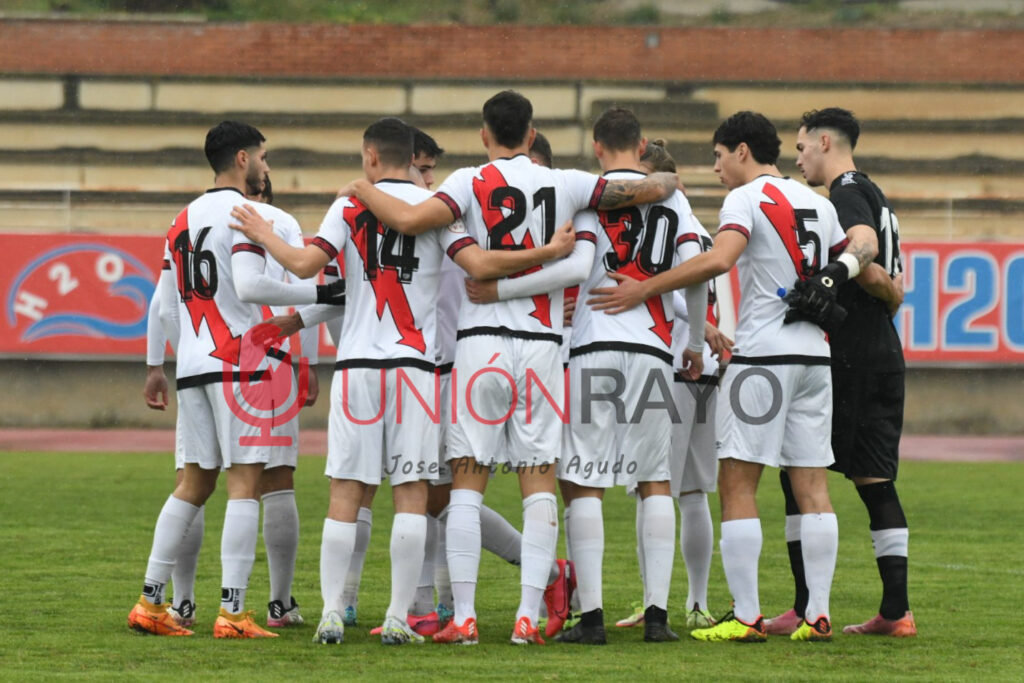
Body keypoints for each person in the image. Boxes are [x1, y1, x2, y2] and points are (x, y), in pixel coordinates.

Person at [336, 90, 680, 645]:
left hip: (482, 346)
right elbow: (647, 186)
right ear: (531, 131)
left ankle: (465, 617)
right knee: (538, 478)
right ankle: (526, 618)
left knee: (467, 481)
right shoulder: (566, 183)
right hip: (543, 344)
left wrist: (361, 188)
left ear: (483, 133)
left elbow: (406, 219)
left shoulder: (466, 182)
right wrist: (663, 182)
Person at [229, 116, 576, 645]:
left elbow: (307, 267)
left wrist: (261, 237)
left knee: (354, 491)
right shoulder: (439, 214)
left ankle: (337, 611)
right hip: (419, 369)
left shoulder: (353, 203)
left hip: (368, 367)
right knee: (418, 493)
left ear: (370, 156)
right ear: (412, 159)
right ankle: (396, 614)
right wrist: (548, 253)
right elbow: (478, 266)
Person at [589, 110, 878, 642]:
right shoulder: (817, 202)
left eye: (720, 156)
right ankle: (818, 614)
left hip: (763, 359)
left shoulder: (745, 199)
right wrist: (840, 273)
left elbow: (717, 261)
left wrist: (644, 287)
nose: (717, 167)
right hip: (816, 357)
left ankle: (745, 614)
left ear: (742, 151)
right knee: (812, 485)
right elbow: (864, 246)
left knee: (736, 483)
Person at [468, 107, 708, 644]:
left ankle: (593, 618)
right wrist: (692, 342)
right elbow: (694, 269)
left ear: (598, 147)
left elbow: (576, 269)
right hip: (652, 346)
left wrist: (503, 292)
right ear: (643, 144)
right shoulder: (673, 196)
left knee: (584, 483)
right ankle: (657, 618)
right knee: (656, 481)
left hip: (595, 343)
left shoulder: (589, 194)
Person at [128, 121, 345, 639]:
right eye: (264, 157)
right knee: (247, 484)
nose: (267, 167)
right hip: (244, 364)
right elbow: (251, 287)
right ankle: (234, 611)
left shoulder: (180, 220)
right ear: (243, 158)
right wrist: (323, 296)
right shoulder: (250, 215)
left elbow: (163, 304)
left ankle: (151, 602)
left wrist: (161, 362)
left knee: (194, 483)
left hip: (195, 365)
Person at [764, 107, 913, 637]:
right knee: (876, 480)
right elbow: (891, 276)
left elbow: (865, 250)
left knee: (797, 471)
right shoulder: (875, 190)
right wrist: (890, 290)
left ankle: (805, 606)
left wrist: (830, 278)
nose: (798, 157)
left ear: (825, 142)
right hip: (882, 350)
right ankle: (897, 612)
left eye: (802, 147)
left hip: (849, 352)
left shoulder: (846, 188)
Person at [613, 139, 733, 633]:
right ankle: (697, 602)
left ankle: (653, 600)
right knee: (692, 489)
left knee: (653, 487)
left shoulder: (660, 217)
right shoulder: (698, 226)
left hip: (676, 360)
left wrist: (695, 335)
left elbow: (686, 289)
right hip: (703, 368)